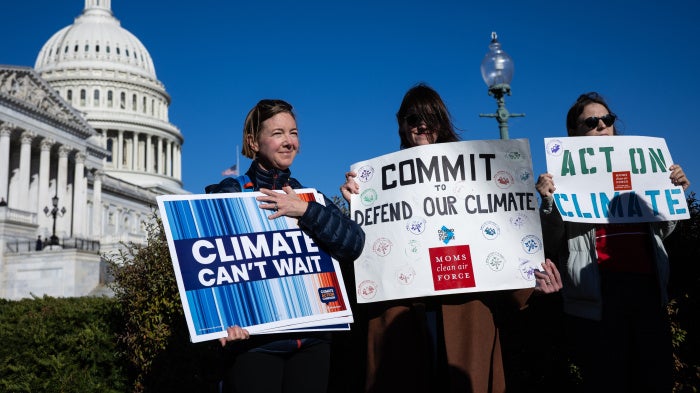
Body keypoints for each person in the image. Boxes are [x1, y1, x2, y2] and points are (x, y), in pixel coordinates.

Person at [341, 83, 562, 393]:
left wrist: (531, 283)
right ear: (401, 124)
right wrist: (358, 204)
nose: (421, 124)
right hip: (405, 311)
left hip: (466, 310)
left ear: (441, 122)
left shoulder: (476, 173)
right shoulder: (377, 181)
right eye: (412, 117)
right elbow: (364, 251)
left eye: (430, 117)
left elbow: (503, 235)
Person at [206, 98, 366, 393]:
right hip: (256, 344)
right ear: (253, 142)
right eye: (278, 133)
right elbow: (207, 262)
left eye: (293, 133)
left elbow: (354, 244)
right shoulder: (231, 191)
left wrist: (305, 210)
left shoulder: (309, 196)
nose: (289, 141)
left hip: (313, 342)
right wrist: (220, 319)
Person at [536, 92, 690, 393]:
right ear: (574, 134)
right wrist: (548, 202)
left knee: (655, 381)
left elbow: (663, 230)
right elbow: (551, 241)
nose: (602, 125)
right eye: (591, 122)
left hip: (647, 293)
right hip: (598, 297)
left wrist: (674, 194)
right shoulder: (562, 182)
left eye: (607, 119)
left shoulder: (640, 170)